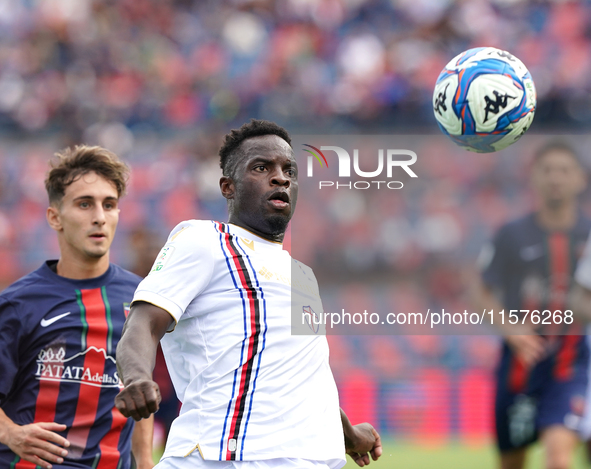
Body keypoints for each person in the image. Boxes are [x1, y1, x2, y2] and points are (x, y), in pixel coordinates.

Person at [114, 119, 382, 469]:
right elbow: (143, 323)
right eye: (261, 167)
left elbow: (302, 375)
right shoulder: (205, 240)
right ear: (228, 187)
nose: (280, 177)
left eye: (289, 170)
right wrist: (135, 377)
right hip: (229, 457)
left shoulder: (302, 276)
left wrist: (347, 433)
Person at [0, 146, 154, 469]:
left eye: (108, 204)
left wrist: (144, 463)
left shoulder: (143, 297)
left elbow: (140, 392)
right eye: (85, 204)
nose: (99, 216)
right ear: (54, 217)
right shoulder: (18, 303)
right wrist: (11, 433)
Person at [473, 141, 590, 469]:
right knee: (512, 462)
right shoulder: (511, 234)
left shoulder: (589, 234)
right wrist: (511, 329)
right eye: (547, 170)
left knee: (559, 458)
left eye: (564, 170)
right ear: (534, 178)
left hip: (571, 364)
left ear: (580, 179)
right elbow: (481, 291)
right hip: (519, 367)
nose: (556, 178)